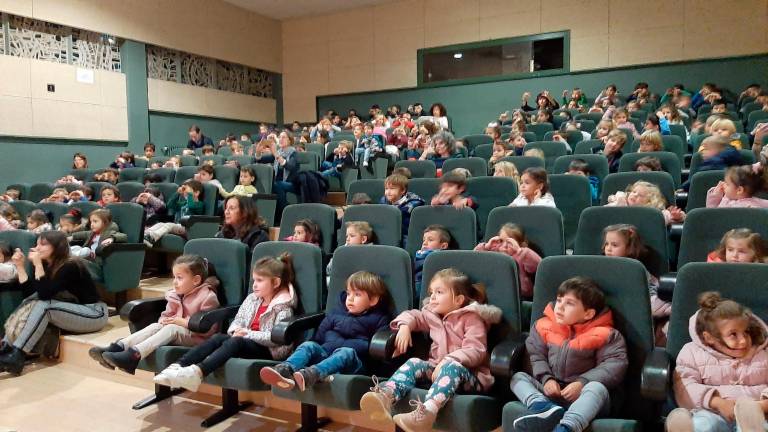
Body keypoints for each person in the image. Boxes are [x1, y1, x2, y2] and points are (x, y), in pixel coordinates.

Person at [360, 268, 502, 431]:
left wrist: (450, 360)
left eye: (439, 292)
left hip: (470, 377)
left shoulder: (472, 318)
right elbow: (413, 315)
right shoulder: (432, 314)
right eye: (431, 292)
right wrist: (405, 326)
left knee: (452, 366)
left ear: (458, 299)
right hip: (437, 370)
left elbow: (476, 350)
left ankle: (426, 413)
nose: (432, 297)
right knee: (414, 362)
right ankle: (386, 395)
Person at [154, 254, 299, 392]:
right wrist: (236, 330)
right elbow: (238, 320)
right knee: (217, 338)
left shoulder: (283, 307)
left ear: (276, 282)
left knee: (236, 342)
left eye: (260, 281)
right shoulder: (252, 299)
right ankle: (177, 366)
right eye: (254, 280)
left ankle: (198, 372)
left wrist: (248, 334)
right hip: (245, 340)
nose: (254, 285)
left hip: (269, 351)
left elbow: (277, 340)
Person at [510, 277, 628, 432]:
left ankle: (567, 427)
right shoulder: (543, 326)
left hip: (585, 398)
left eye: (569, 303)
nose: (560, 307)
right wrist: (546, 379)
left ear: (588, 314)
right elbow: (536, 356)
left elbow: (613, 366)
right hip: (551, 393)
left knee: (596, 388)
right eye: (559, 300)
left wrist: (582, 383)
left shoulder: (606, 334)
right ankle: (541, 407)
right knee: (517, 377)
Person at [260, 271, 392, 391]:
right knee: (308, 345)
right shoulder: (335, 313)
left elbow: (376, 353)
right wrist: (310, 351)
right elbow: (319, 337)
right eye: (348, 293)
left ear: (373, 300)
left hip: (354, 363)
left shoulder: (379, 318)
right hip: (326, 356)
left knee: (345, 352)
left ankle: (313, 374)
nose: (350, 298)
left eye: (357, 294)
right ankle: (284, 370)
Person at [88, 255, 220, 374]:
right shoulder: (175, 295)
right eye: (174, 277)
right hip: (177, 332)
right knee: (155, 326)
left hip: (198, 338)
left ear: (196, 280)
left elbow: (208, 328)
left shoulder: (208, 296)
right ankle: (117, 347)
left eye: (179, 278)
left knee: (171, 328)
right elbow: (166, 315)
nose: (174, 282)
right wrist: (164, 321)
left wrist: (181, 322)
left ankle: (133, 356)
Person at [0, 231, 108, 375]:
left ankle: (17, 355)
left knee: (44, 306)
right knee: (30, 301)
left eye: (43, 244)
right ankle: (5, 349)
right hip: (71, 311)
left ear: (57, 247)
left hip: (94, 313)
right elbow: (32, 294)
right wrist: (20, 266)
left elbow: (44, 296)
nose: (37, 248)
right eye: (37, 244)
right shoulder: (45, 264)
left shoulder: (71, 266)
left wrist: (37, 264)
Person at [665, 292, 768, 432]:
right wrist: (717, 402)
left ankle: (751, 427)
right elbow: (685, 386)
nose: (743, 340)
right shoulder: (691, 352)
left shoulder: (763, 353)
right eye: (733, 334)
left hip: (757, 412)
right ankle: (689, 427)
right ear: (709, 338)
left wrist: (763, 405)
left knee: (759, 425)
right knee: (706, 425)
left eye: (746, 332)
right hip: (712, 411)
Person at [602, 224, 670, 332]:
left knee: (654, 307)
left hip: (647, 298)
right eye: (607, 244)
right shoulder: (603, 265)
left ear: (629, 248)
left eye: (614, 245)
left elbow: (649, 288)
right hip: (619, 303)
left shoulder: (636, 267)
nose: (608, 249)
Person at [474, 223, 541, 297]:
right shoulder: (494, 251)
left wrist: (519, 250)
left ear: (521, 244)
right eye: (501, 241)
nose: (504, 246)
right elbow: (475, 259)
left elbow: (539, 265)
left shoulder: (522, 255)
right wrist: (486, 247)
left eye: (510, 243)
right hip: (495, 292)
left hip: (519, 296)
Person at [143, 180, 205, 247]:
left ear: (196, 193)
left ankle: (152, 238)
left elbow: (191, 206)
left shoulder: (199, 204)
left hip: (189, 229)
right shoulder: (184, 204)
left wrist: (189, 194)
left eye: (187, 189)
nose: (185, 192)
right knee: (160, 224)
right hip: (179, 227)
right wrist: (177, 193)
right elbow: (170, 205)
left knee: (169, 225)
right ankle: (145, 235)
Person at [607, 181, 685, 225]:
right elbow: (603, 215)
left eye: (640, 195)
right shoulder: (618, 202)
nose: (635, 195)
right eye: (634, 192)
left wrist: (677, 216)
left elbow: (665, 217)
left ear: (649, 202)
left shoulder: (652, 212)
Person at [380, 173, 425, 245]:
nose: (388, 192)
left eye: (392, 189)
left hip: (405, 234)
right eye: (386, 188)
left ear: (403, 190)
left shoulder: (413, 203)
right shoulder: (383, 201)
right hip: (389, 233)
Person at [414, 225, 451, 300]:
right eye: (424, 240)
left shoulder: (441, 260)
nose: (425, 243)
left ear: (443, 246)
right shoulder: (415, 257)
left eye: (430, 240)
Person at [271, 131, 300, 220]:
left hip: (293, 184)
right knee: (274, 184)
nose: (281, 139)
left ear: (290, 140)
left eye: (284, 137)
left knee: (277, 184)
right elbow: (261, 159)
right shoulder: (279, 152)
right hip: (279, 183)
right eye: (280, 137)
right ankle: (278, 215)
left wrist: (277, 155)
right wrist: (258, 152)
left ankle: (284, 214)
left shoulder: (294, 153)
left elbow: (290, 167)